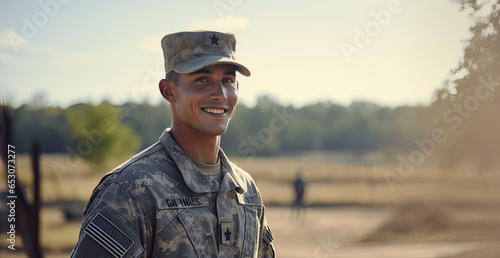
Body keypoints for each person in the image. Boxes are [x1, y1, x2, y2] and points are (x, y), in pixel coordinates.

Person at [71, 31, 275, 257]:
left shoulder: (246, 190)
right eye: (202, 79)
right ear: (169, 91)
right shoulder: (129, 190)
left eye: (227, 80)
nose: (220, 94)